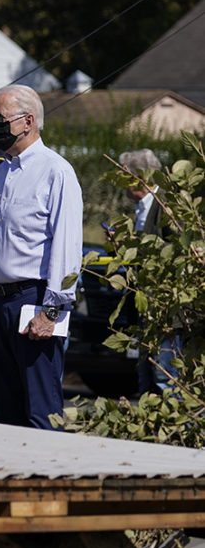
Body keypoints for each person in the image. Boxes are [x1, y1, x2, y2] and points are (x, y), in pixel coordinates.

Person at [0, 85, 83, 429]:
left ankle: (47, 482)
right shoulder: (2, 172)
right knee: (5, 411)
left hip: (36, 302)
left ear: (28, 121)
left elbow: (67, 248)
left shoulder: (56, 171)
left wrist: (52, 309)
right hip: (0, 305)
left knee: (40, 412)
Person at [118, 148, 180, 393]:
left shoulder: (165, 204)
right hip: (146, 310)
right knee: (146, 380)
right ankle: (152, 432)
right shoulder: (141, 208)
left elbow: (178, 250)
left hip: (165, 311)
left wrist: (136, 244)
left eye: (123, 176)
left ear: (138, 178)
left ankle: (176, 430)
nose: (119, 183)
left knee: (166, 379)